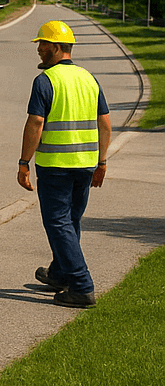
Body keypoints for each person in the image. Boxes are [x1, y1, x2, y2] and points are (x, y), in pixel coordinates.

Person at [18, 19, 111, 308]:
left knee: (58, 222)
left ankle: (81, 286)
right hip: (85, 165)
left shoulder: (46, 81)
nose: (39, 50)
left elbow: (35, 122)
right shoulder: (89, 78)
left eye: (42, 44)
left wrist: (23, 162)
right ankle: (60, 273)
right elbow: (105, 123)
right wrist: (102, 162)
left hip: (56, 165)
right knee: (70, 221)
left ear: (56, 47)